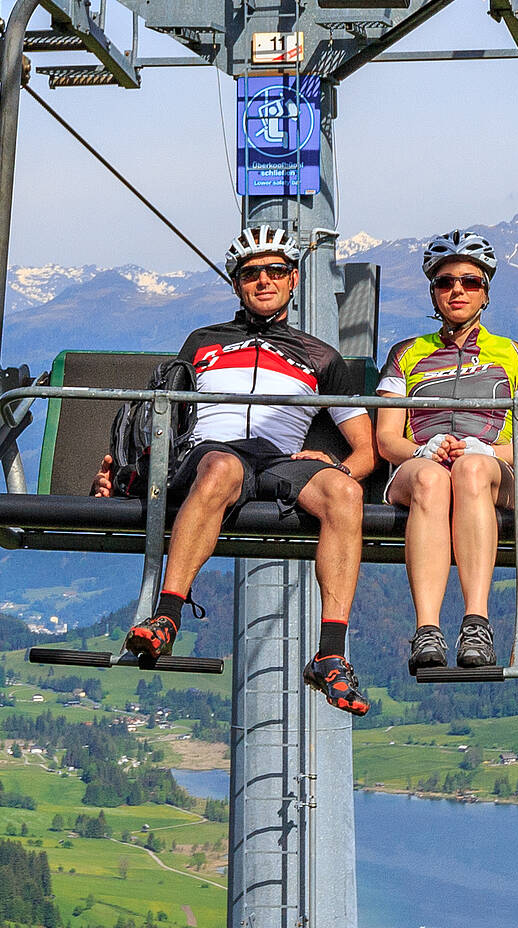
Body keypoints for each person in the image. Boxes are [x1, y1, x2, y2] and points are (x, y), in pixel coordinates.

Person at [92, 225, 376, 714]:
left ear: (293, 279)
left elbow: (366, 451)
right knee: (222, 467)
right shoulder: (203, 341)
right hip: (211, 453)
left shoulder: (320, 357)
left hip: (280, 460)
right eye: (251, 274)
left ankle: (330, 655)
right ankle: (166, 618)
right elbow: (160, 417)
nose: (263, 281)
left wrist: (336, 463)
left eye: (275, 271)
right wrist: (123, 475)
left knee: (346, 495)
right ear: (236, 283)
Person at [374, 230, 518, 673]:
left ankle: (476, 623)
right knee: (432, 477)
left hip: (490, 468)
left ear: (486, 292)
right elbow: (387, 439)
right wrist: (422, 448)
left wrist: (484, 448)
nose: (457, 291)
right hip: (420, 466)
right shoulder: (406, 353)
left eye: (470, 282)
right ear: (432, 291)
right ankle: (427, 630)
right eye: (445, 282)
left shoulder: (515, 355)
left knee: (468, 470)